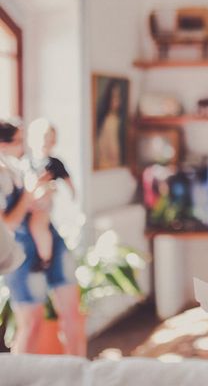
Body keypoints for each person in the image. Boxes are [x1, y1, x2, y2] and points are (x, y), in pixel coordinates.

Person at [0, 119, 86, 356]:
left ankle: (77, 372)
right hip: (21, 250)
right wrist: (29, 197)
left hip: (51, 239)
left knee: (72, 313)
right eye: (19, 141)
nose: (24, 146)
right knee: (32, 323)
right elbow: (7, 222)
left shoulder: (20, 166)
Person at [96, 80, 124, 169]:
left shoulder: (116, 118)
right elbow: (113, 150)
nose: (117, 101)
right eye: (114, 97)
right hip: (107, 164)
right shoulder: (110, 120)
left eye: (118, 97)